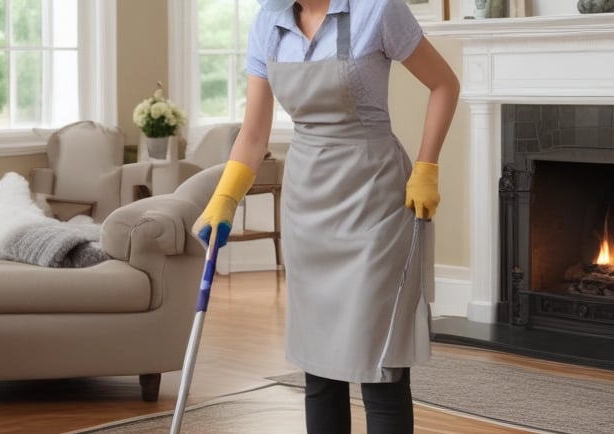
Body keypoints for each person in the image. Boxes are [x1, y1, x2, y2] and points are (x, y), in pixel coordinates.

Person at [191, 0, 459, 432]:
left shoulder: (379, 10)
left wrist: (427, 167)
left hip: (375, 202)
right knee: (319, 371)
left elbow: (444, 84)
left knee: (381, 365)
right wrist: (226, 198)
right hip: (307, 206)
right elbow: (254, 132)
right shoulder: (268, 24)